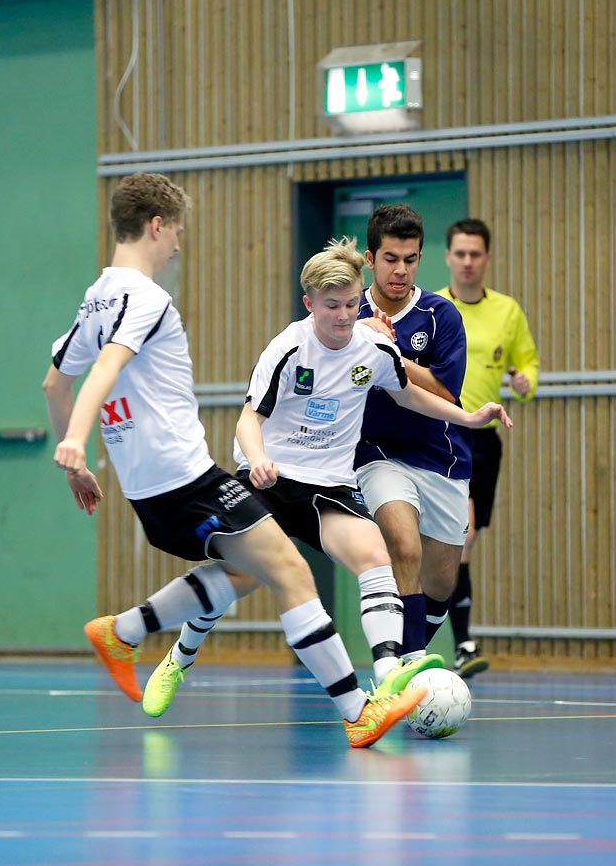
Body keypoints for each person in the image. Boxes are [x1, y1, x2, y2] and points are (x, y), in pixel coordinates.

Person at [41, 173, 425, 748]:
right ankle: (358, 712)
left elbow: (54, 383)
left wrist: (81, 462)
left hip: (148, 483)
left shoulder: (95, 297)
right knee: (292, 574)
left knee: (249, 571)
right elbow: (104, 370)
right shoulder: (145, 297)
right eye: (175, 233)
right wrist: (73, 443)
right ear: (155, 226)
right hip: (184, 475)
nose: (177, 245)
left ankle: (124, 631)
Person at [141, 238, 511, 715]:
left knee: (374, 554)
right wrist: (257, 460)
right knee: (240, 577)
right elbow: (248, 418)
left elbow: (408, 395)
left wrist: (467, 418)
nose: (343, 315)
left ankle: (388, 674)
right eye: (332, 306)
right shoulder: (287, 348)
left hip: (329, 485)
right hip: (271, 477)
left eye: (352, 304)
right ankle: (180, 655)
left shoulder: (376, 346)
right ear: (310, 303)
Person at [352, 204, 473, 666]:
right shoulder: (350, 312)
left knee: (442, 581)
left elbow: (445, 390)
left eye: (410, 259)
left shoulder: (441, 316)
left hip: (440, 456)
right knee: (403, 545)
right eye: (389, 258)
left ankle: (416, 640)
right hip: (376, 454)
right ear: (369, 258)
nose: (399, 270)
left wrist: (388, 354)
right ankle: (411, 666)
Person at [438, 218, 540, 677]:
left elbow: (528, 366)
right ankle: (459, 642)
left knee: (463, 541)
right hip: (442, 435)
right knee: (462, 535)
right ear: (448, 258)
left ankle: (459, 642)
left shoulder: (507, 311)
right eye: (459, 253)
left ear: (487, 259)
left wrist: (524, 381)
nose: (467, 262)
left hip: (484, 440)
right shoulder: (435, 307)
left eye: (475, 254)